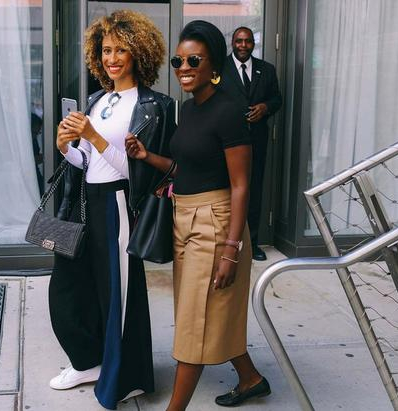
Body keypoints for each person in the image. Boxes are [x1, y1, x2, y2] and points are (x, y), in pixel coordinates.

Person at [125, 21, 270, 409]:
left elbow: (241, 185)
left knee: (195, 321)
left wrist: (231, 249)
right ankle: (251, 379)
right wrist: (147, 156)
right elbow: (185, 168)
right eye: (178, 61)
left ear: (214, 65)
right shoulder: (188, 109)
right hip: (183, 218)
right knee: (203, 309)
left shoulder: (230, 111)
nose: (184, 68)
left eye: (194, 60)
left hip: (216, 222)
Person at [48, 10, 176, 409]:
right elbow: (87, 162)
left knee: (118, 293)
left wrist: (93, 135)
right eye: (106, 50)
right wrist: (65, 147)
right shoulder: (97, 99)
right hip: (85, 202)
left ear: (138, 53)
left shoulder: (153, 106)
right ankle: (87, 360)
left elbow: (135, 173)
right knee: (69, 286)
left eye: (121, 50)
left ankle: (125, 377)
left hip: (117, 204)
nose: (112, 58)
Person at [220, 26, 282, 261]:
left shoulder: (267, 70)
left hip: (256, 141)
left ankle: (251, 243)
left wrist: (265, 108)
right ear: (233, 42)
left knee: (253, 190)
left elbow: (277, 99)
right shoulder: (219, 68)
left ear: (253, 44)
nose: (243, 45)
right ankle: (225, 243)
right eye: (239, 41)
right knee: (225, 190)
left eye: (247, 41)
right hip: (226, 142)